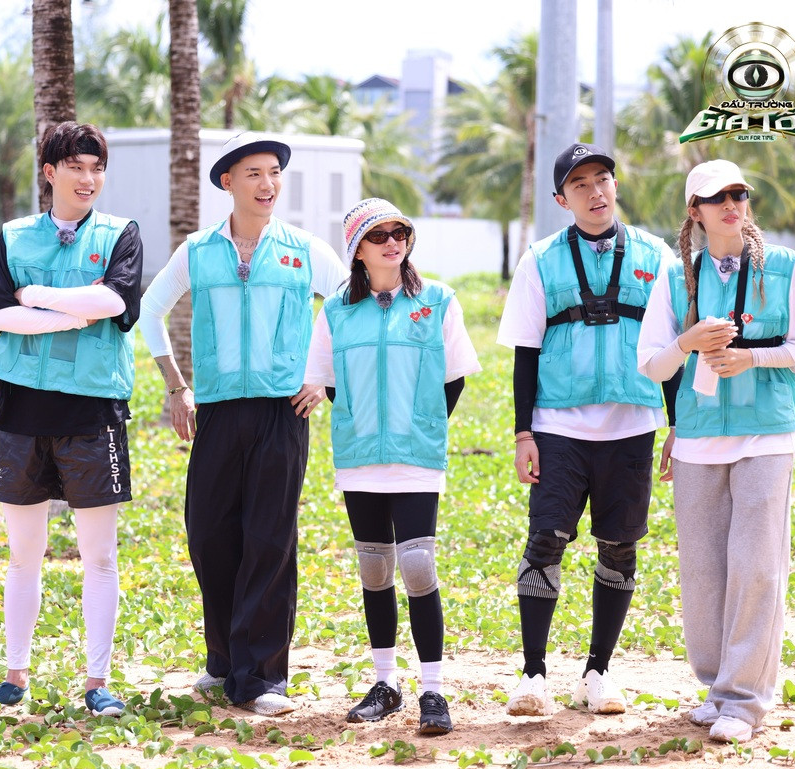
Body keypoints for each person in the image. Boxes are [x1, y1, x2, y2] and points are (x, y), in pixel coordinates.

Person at [138, 132, 345, 715]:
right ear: (228, 182)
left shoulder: (305, 249)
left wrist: (322, 379)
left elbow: (349, 305)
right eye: (254, 173)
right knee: (210, 535)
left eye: (274, 172)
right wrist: (176, 386)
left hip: (283, 411)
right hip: (219, 410)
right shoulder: (198, 251)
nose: (267, 183)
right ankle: (224, 662)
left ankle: (262, 679)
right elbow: (150, 312)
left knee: (270, 540)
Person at [496, 142, 681, 716]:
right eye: (580, 184)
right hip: (558, 425)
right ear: (562, 199)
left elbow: (674, 347)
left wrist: (678, 424)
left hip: (632, 424)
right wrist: (524, 434)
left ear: (615, 186)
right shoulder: (539, 259)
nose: (595, 192)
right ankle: (532, 674)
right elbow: (525, 352)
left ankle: (598, 672)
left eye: (602, 179)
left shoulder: (657, 256)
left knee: (619, 547)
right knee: (545, 540)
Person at [0, 122, 142, 718]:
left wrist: (35, 296)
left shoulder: (121, 234)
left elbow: (115, 302)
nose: (88, 179)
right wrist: (72, 311)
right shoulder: (14, 236)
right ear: (50, 172)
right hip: (23, 410)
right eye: (76, 167)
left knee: (99, 556)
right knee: (23, 554)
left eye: (97, 168)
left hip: (93, 410)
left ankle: (97, 682)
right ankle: (14, 676)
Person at [636, 160, 795, 743]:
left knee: (757, 567)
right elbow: (651, 364)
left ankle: (744, 700)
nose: (731, 205)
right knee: (704, 572)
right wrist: (687, 341)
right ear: (695, 211)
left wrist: (749, 358)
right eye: (717, 198)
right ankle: (716, 688)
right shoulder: (674, 277)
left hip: (768, 434)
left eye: (739, 194)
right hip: (698, 439)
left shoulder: (784, 266)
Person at [304, 198, 481, 735]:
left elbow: (454, 379)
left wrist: (420, 423)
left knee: (419, 565)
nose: (391, 242)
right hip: (360, 458)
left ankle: (433, 690)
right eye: (377, 235)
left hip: (415, 456)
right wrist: (363, 421)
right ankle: (386, 683)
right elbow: (328, 382)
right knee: (375, 569)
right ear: (357, 250)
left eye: (399, 232)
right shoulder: (336, 311)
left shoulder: (438, 301)